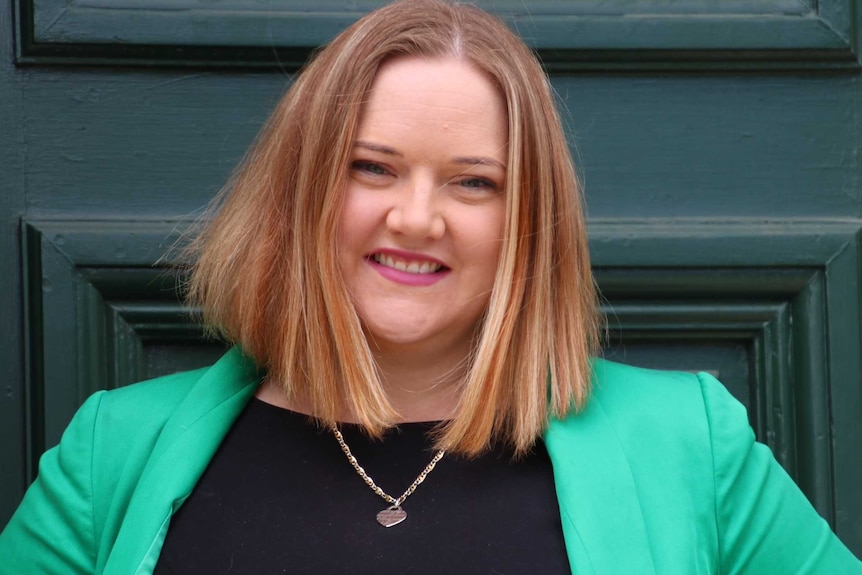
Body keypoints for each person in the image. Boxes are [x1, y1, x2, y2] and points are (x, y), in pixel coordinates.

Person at [1, 0, 860, 573]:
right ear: (298, 194)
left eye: (473, 182)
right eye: (371, 168)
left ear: (530, 223)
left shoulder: (690, 445)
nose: (417, 218)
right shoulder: (111, 453)